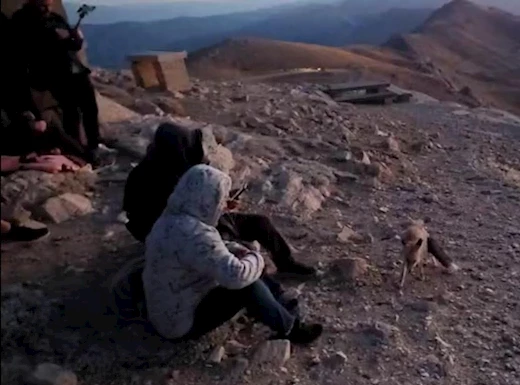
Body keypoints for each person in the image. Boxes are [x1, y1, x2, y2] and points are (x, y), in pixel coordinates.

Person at [143, 164, 323, 343]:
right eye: (220, 199)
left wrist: (237, 251)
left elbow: (203, 250)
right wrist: (256, 258)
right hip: (180, 324)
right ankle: (292, 329)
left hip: (166, 310)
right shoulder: (196, 233)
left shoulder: (171, 219)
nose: (222, 205)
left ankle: (275, 302)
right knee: (247, 284)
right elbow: (235, 275)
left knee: (244, 264)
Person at [123, 122, 317, 277]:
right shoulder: (153, 177)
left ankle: (286, 263)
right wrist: (217, 210)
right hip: (171, 232)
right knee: (234, 247)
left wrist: (220, 205)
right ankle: (257, 287)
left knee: (260, 223)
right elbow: (181, 216)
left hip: (191, 222)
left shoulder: (170, 166)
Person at [11, 0, 101, 156]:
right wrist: (55, 41)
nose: (47, 7)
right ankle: (76, 148)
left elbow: (73, 46)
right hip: (54, 72)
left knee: (90, 108)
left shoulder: (55, 18)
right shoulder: (22, 20)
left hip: (75, 68)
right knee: (70, 111)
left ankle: (94, 145)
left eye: (49, 4)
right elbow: (27, 49)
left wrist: (76, 39)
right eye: (43, 4)